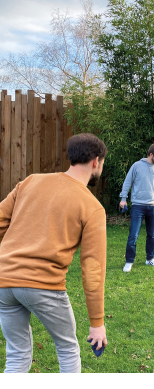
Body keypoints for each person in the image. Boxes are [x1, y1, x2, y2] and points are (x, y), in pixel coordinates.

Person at [0, 133, 108, 373]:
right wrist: (96, 323)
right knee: (68, 348)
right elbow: (93, 269)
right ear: (95, 161)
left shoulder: (30, 182)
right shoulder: (92, 207)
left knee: (16, 355)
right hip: (43, 285)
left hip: (4, 282)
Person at [120, 143, 154, 272]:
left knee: (151, 235)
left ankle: (150, 259)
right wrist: (123, 198)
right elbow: (127, 182)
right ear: (151, 154)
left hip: (152, 206)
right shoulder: (137, 166)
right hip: (138, 206)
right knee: (133, 236)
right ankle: (129, 261)